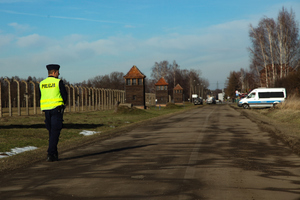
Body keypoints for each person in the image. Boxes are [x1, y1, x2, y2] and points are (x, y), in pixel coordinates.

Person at [40, 64, 68, 162]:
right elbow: (64, 95)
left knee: (51, 132)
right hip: (57, 109)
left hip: (46, 110)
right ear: (54, 72)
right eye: (58, 72)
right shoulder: (58, 82)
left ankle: (54, 153)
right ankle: (50, 154)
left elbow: (41, 95)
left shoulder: (42, 83)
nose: (59, 74)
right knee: (55, 132)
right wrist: (63, 104)